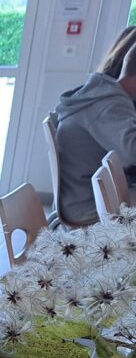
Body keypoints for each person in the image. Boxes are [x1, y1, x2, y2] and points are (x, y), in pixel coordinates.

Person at [55, 35, 136, 225]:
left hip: (85, 195)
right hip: (89, 206)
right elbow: (132, 152)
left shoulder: (104, 94)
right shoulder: (109, 104)